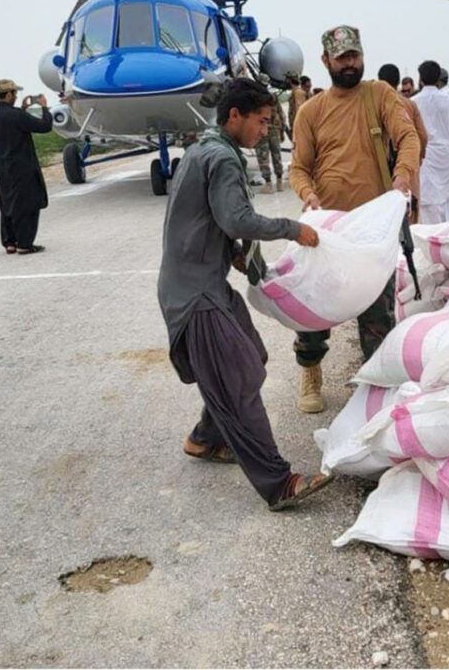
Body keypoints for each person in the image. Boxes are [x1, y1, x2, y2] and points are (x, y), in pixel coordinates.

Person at [157, 76, 331, 511]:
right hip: (196, 295)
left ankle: (205, 439)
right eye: (260, 121)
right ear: (234, 115)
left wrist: (233, 252)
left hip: (205, 283)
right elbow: (237, 218)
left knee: (252, 357)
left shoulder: (203, 149)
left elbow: (206, 218)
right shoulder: (222, 157)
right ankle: (278, 482)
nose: (264, 131)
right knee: (238, 381)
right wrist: (293, 229)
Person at [289, 25, 420, 414]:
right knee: (315, 307)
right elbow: (299, 168)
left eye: (355, 56)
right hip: (328, 231)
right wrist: (307, 193)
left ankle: (375, 385)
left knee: (377, 314)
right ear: (326, 61)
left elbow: (408, 137)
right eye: (342, 58)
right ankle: (310, 371)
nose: (351, 64)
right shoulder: (311, 111)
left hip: (373, 231)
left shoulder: (378, 94)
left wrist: (403, 176)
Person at [0, 79, 52, 255]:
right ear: (8, 94)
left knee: (7, 201)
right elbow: (44, 126)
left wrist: (22, 110)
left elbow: (11, 127)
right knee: (27, 204)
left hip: (2, 165)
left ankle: (9, 242)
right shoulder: (16, 115)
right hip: (22, 165)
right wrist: (45, 108)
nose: (15, 96)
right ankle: (25, 243)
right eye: (14, 93)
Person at [412, 60, 449, 224]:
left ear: (421, 79)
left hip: (426, 153)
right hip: (446, 152)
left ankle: (431, 231)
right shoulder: (447, 99)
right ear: (438, 78)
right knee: (448, 196)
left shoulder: (414, 101)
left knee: (428, 195)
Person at [378, 63, 427, 222]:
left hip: (380, 170)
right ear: (397, 81)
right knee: (410, 212)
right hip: (405, 167)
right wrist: (418, 158)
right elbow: (422, 135)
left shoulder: (372, 105)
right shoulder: (409, 104)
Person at [254, 91, 286, 193]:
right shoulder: (274, 97)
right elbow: (281, 115)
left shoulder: (256, 97)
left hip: (262, 131)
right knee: (277, 156)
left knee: (263, 158)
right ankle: (279, 182)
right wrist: (281, 131)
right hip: (275, 131)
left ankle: (268, 184)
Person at [285, 72, 308, 139]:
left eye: (286, 79)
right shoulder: (295, 92)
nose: (285, 81)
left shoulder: (298, 93)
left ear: (290, 80)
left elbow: (300, 110)